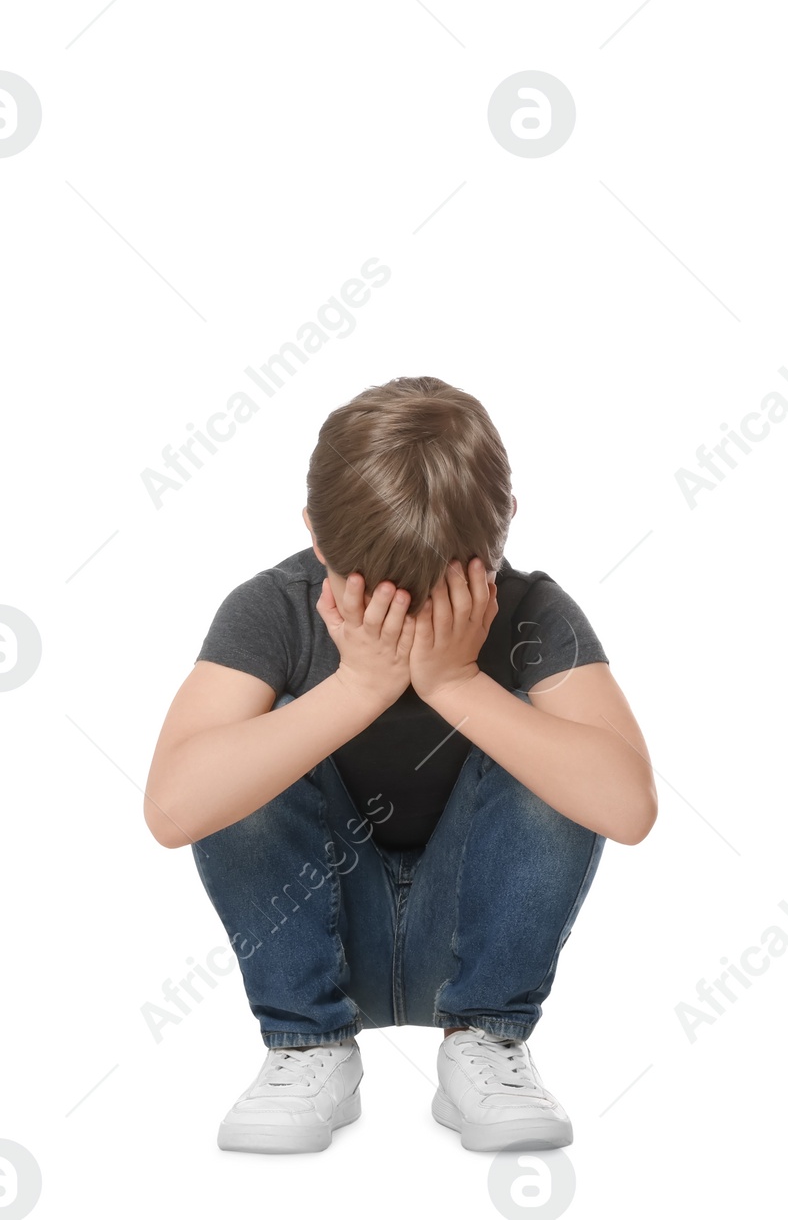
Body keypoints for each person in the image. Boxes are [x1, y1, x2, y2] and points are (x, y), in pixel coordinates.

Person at [143, 376, 657, 1155]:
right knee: (246, 751)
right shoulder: (274, 607)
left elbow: (627, 806)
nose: (415, 624)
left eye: (446, 594)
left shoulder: (535, 612)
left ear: (505, 529)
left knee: (557, 751)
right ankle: (307, 1046)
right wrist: (354, 688)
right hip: (324, 940)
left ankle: (485, 1040)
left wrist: (457, 683)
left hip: (473, 943)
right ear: (318, 539)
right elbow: (174, 807)